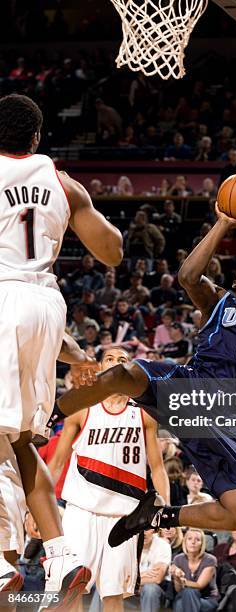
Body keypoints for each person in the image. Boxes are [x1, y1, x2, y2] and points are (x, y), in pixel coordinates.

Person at [58, 174, 236, 539]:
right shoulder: (218, 301)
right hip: (190, 387)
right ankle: (56, 414)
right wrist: (223, 222)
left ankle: (161, 517)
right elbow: (189, 276)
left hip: (225, 417)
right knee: (118, 376)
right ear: (235, 281)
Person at [0, 94, 122, 604]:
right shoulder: (61, 181)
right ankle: (61, 553)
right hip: (47, 305)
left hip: (2, 296)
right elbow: (113, 250)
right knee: (23, 439)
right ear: (36, 138)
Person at [47, 347, 170, 611]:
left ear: (129, 372)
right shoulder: (82, 409)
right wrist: (38, 510)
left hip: (123, 518)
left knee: (113, 595)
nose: (116, 364)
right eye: (110, 359)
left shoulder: (143, 413)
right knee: (70, 590)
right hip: (81, 511)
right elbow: (55, 463)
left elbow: (158, 468)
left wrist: (165, 510)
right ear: (101, 369)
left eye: (123, 360)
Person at [171, 528, 219, 612]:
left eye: (197, 540)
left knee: (186, 595)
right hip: (184, 596)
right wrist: (176, 577)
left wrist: (183, 580)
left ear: (202, 544)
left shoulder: (210, 560)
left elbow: (199, 585)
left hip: (206, 599)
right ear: (185, 542)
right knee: (184, 597)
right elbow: (178, 589)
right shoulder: (178, 559)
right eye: (189, 539)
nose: (193, 542)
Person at [139, 529, 172, 612]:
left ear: (154, 530)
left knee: (149, 588)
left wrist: (133, 579)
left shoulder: (162, 545)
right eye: (139, 529)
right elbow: (120, 577)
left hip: (158, 590)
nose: (143, 533)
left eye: (147, 529)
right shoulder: (128, 545)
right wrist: (144, 574)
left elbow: (157, 578)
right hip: (131, 590)